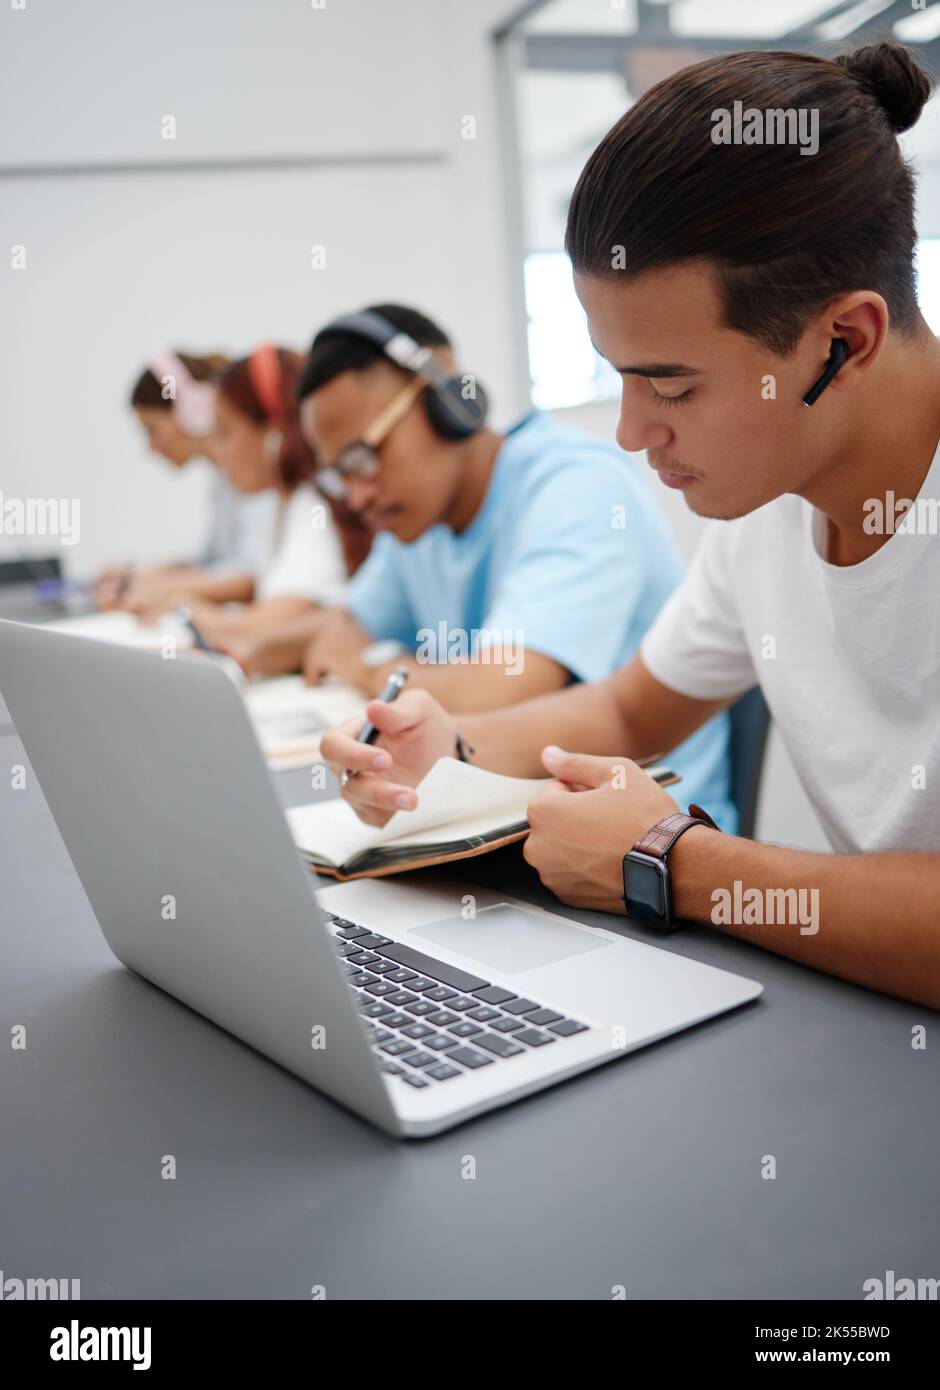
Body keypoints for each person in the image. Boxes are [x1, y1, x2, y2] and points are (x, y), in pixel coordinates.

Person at [322, 42, 940, 1011]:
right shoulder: (768, 510)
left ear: (842, 343)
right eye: (620, 374)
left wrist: (674, 860)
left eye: (671, 384)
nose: (629, 431)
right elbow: (626, 713)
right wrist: (448, 746)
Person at [296, 303, 735, 827]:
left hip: (648, 841)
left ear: (447, 400)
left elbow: (494, 691)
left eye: (363, 458)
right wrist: (391, 673)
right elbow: (337, 634)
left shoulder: (579, 486)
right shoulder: (412, 521)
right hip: (500, 819)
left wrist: (371, 669)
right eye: (340, 477)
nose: (357, 496)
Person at [146, 345, 370, 659]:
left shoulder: (313, 506)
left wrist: (181, 603)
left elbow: (269, 622)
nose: (218, 454)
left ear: (273, 435)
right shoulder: (287, 505)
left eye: (225, 433)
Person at [95, 350, 277, 614]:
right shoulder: (222, 483)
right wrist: (142, 575)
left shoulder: (255, 476)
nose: (151, 447)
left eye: (152, 429)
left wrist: (167, 591)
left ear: (194, 411)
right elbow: (211, 562)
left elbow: (252, 572)